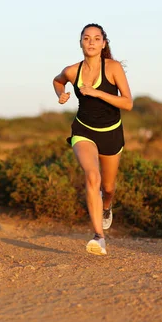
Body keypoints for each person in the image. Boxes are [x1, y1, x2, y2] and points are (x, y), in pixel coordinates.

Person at [52, 23, 133, 255]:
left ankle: (106, 207)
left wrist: (97, 92)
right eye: (86, 38)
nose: (91, 42)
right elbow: (57, 81)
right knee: (92, 176)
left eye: (96, 38)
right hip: (83, 130)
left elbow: (127, 103)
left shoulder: (113, 68)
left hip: (111, 133)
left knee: (108, 187)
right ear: (81, 42)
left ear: (103, 44)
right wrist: (61, 94)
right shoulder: (72, 70)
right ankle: (99, 237)